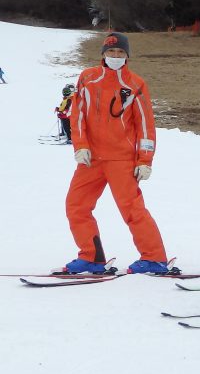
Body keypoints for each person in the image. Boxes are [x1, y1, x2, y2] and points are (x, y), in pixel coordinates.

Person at [61, 32, 172, 275]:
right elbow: (77, 115)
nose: (115, 56)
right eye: (111, 52)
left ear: (127, 56)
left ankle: (154, 257)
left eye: (120, 53)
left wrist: (145, 160)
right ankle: (91, 257)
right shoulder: (87, 78)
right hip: (91, 160)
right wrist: (80, 146)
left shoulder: (135, 84)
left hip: (122, 160)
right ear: (103, 54)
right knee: (76, 205)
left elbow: (146, 125)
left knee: (132, 210)